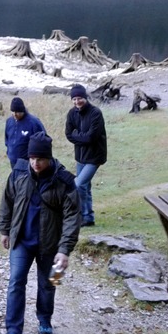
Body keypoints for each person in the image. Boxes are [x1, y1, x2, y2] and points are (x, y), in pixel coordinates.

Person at [0, 131, 81, 334]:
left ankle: (45, 318)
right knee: (15, 282)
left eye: (41, 159)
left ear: (50, 158)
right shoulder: (18, 172)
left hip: (52, 246)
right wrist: (5, 230)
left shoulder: (65, 181)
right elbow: (7, 201)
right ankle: (13, 331)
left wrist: (65, 250)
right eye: (33, 158)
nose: (35, 163)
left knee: (51, 282)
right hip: (22, 242)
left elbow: (73, 217)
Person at [64, 84, 107, 227]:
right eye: (74, 99)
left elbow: (91, 137)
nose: (77, 102)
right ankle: (88, 218)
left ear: (85, 97)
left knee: (78, 184)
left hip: (94, 157)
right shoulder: (72, 114)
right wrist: (81, 136)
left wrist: (78, 136)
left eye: (80, 98)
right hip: (80, 157)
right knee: (85, 187)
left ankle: (81, 216)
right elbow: (69, 134)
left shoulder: (96, 113)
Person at [4, 97, 46, 167]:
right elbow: (7, 138)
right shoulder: (9, 121)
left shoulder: (34, 122)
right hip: (13, 161)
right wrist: (9, 151)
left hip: (28, 163)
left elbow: (43, 140)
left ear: (22, 110)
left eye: (17, 112)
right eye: (13, 112)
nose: (15, 114)